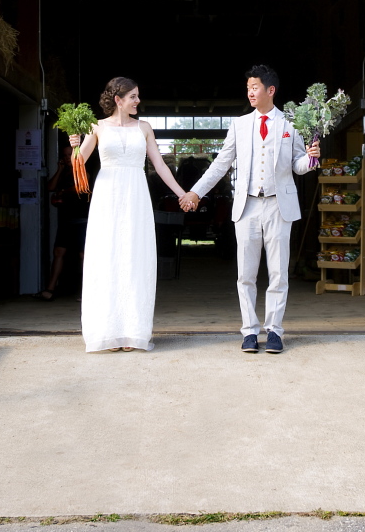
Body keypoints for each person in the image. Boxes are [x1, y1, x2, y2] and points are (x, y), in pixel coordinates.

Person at [181, 64, 320, 354]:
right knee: (245, 274)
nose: (250, 92)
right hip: (247, 207)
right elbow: (221, 163)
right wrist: (195, 192)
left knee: (279, 274)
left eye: (254, 87)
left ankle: (275, 332)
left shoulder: (291, 123)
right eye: (248, 88)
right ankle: (248, 331)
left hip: (278, 207)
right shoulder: (239, 125)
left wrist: (311, 159)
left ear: (271, 90)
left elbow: (297, 165)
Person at [68, 76, 187, 352]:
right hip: (107, 196)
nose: (138, 101)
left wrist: (182, 193)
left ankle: (133, 332)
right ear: (118, 100)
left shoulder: (144, 128)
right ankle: (106, 333)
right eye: (133, 96)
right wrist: (75, 144)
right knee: (106, 256)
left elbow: (160, 166)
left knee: (135, 257)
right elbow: (79, 162)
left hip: (135, 194)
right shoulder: (96, 126)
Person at [36, 144, 87, 301]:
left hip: (81, 220)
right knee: (58, 253)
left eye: (69, 155)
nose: (66, 158)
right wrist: (59, 169)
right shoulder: (63, 172)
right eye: (64, 155)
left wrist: (63, 191)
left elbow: (81, 187)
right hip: (66, 220)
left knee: (83, 255)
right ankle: (50, 289)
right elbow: (50, 187)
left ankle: (86, 292)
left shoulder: (82, 170)